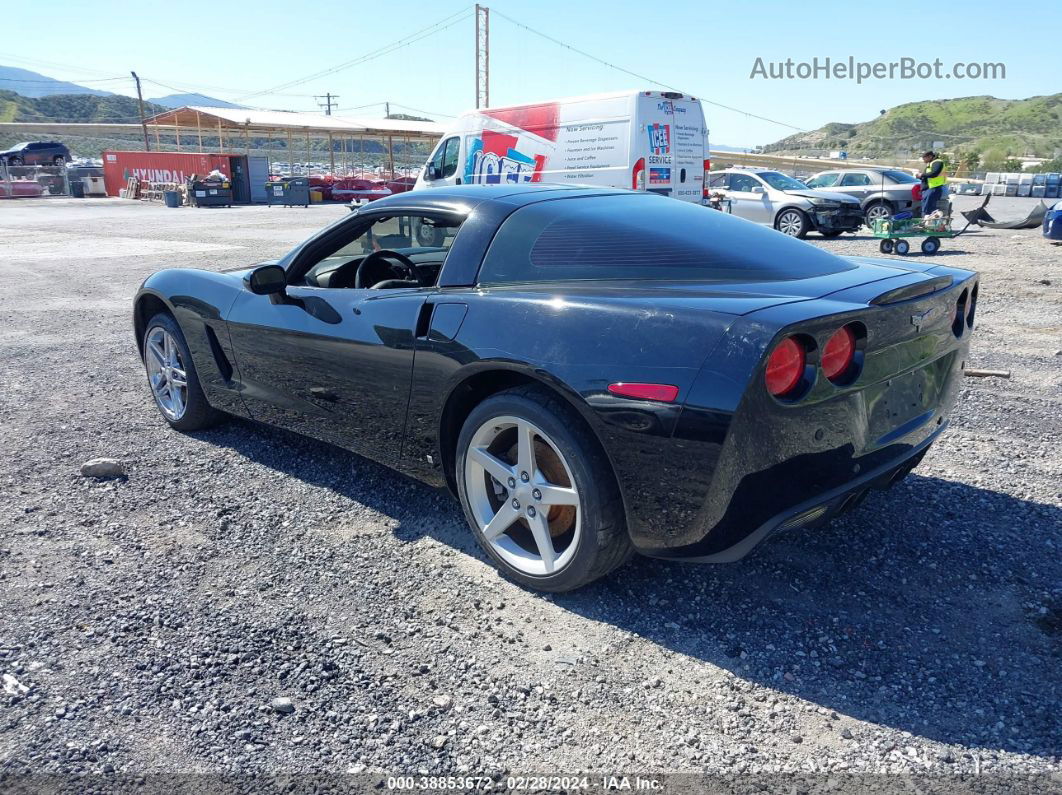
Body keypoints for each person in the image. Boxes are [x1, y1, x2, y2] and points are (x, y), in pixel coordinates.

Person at [918, 151, 947, 216]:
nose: (923, 160)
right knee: (927, 209)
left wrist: (922, 175)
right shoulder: (931, 163)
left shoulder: (937, 162)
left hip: (933, 188)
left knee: (928, 210)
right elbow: (928, 176)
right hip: (929, 188)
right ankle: (927, 223)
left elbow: (934, 173)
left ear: (930, 156)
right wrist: (921, 176)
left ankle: (927, 224)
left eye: (924, 158)